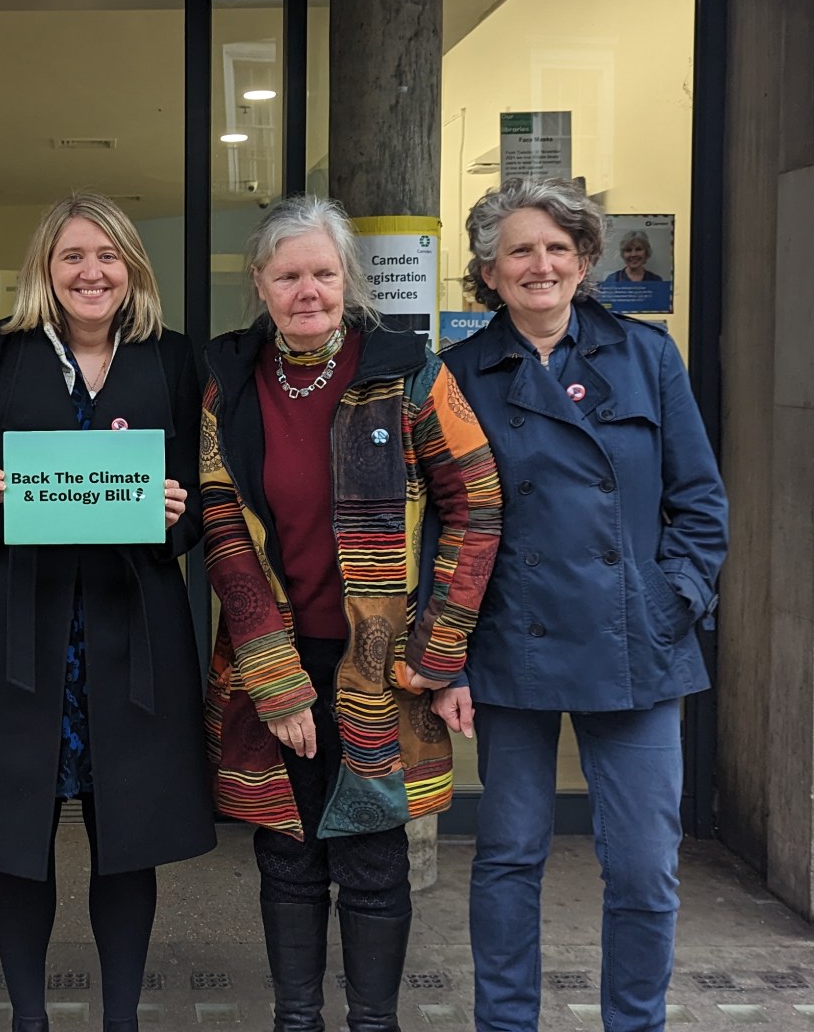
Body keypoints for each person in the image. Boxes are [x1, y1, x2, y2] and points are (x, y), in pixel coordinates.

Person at [200, 194, 503, 1032]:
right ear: (260, 283)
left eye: (324, 274)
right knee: (287, 853)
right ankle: (295, 1020)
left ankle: (374, 1023)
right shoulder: (229, 382)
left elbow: (476, 503)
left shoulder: (410, 373)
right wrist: (272, 675)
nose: (308, 291)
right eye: (288, 276)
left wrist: (438, 651)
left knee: (373, 861)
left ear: (347, 280)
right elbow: (221, 520)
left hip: (384, 666)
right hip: (277, 659)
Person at [0, 192, 215, 1032]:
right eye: (73, 256)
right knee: (18, 828)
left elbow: (209, 487)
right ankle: (28, 1018)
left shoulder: (172, 357)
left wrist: (179, 516)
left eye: (108, 255)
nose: (92, 272)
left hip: (131, 625)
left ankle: (121, 1019)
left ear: (132, 267)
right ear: (45, 270)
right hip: (15, 625)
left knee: (130, 829)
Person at [436, 178, 728, 1032]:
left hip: (637, 642)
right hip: (509, 642)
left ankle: (636, 1023)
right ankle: (505, 1024)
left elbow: (700, 503)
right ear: (489, 272)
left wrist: (672, 600)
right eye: (520, 250)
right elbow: (442, 526)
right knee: (508, 855)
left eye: (558, 248)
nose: (541, 265)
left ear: (585, 260)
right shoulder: (458, 373)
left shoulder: (647, 356)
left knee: (644, 864)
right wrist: (446, 657)